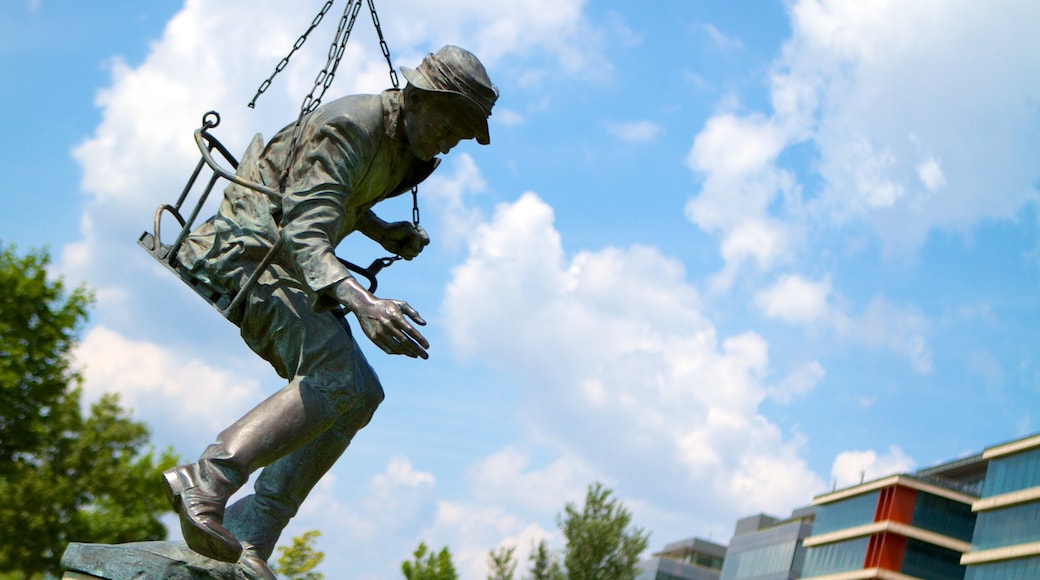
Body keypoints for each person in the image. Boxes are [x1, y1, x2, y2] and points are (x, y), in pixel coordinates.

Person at [161, 45, 498, 579]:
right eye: (449, 123)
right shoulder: (352, 124)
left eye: (461, 134)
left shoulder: (405, 146)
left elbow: (338, 195)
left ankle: (253, 531)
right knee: (338, 374)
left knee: (363, 394)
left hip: (288, 262)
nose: (450, 142)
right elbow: (304, 228)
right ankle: (208, 479)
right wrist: (364, 304)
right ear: (417, 97)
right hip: (249, 252)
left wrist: (383, 230)